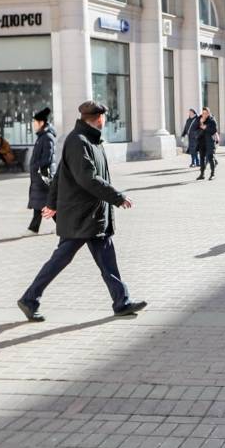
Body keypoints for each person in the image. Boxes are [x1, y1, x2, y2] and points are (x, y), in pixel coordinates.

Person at [17, 101, 147, 321]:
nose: (105, 120)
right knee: (60, 259)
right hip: (81, 216)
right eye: (104, 117)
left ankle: (121, 302)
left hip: (93, 216)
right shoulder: (79, 141)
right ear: (98, 118)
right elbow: (86, 178)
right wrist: (117, 197)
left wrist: (51, 203)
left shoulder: (91, 140)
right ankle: (30, 298)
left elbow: (60, 174)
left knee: (107, 261)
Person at [27, 107, 56, 233]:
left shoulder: (47, 137)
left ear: (41, 123)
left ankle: (33, 229)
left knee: (44, 202)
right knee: (41, 202)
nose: (33, 125)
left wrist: (35, 166)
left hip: (43, 176)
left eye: (35, 122)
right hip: (39, 176)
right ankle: (34, 228)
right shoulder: (41, 137)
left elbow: (47, 159)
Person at [195, 107, 218, 181]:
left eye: (205, 113)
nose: (204, 114)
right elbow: (195, 129)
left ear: (208, 113)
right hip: (201, 142)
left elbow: (214, 130)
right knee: (202, 158)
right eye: (203, 113)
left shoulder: (212, 121)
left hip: (210, 142)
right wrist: (201, 123)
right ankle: (202, 174)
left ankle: (212, 174)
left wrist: (206, 127)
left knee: (210, 158)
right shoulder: (199, 120)